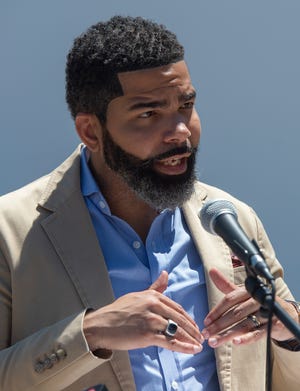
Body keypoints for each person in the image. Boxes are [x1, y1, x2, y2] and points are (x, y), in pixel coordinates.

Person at [0, 15, 299, 391]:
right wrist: (90, 333)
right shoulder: (8, 231)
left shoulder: (232, 218)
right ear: (91, 131)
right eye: (149, 114)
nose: (180, 132)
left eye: (186, 106)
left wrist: (286, 331)